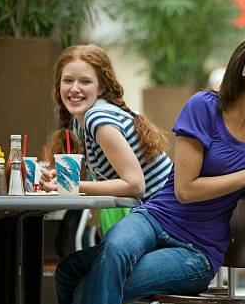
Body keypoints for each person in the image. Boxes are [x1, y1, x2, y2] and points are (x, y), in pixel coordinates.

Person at [47, 35, 245, 304]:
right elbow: (186, 190)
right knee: (79, 266)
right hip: (156, 217)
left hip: (197, 252)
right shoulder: (204, 108)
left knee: (89, 284)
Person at [42, 44, 172, 201]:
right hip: (154, 209)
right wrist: (61, 177)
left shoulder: (97, 118)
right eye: (68, 80)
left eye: (85, 81)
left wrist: (72, 185)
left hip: (169, 212)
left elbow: (136, 185)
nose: (75, 88)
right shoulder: (80, 121)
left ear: (101, 87)